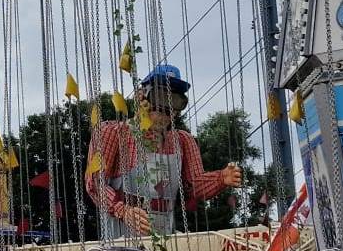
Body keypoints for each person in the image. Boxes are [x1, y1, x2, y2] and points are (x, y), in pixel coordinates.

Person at [84, 64, 243, 239]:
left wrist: (221, 178)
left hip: (166, 240)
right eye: (160, 96)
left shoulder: (182, 141)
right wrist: (124, 210)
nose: (166, 109)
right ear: (140, 96)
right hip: (118, 243)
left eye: (174, 100)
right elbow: (95, 183)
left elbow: (194, 187)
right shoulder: (112, 133)